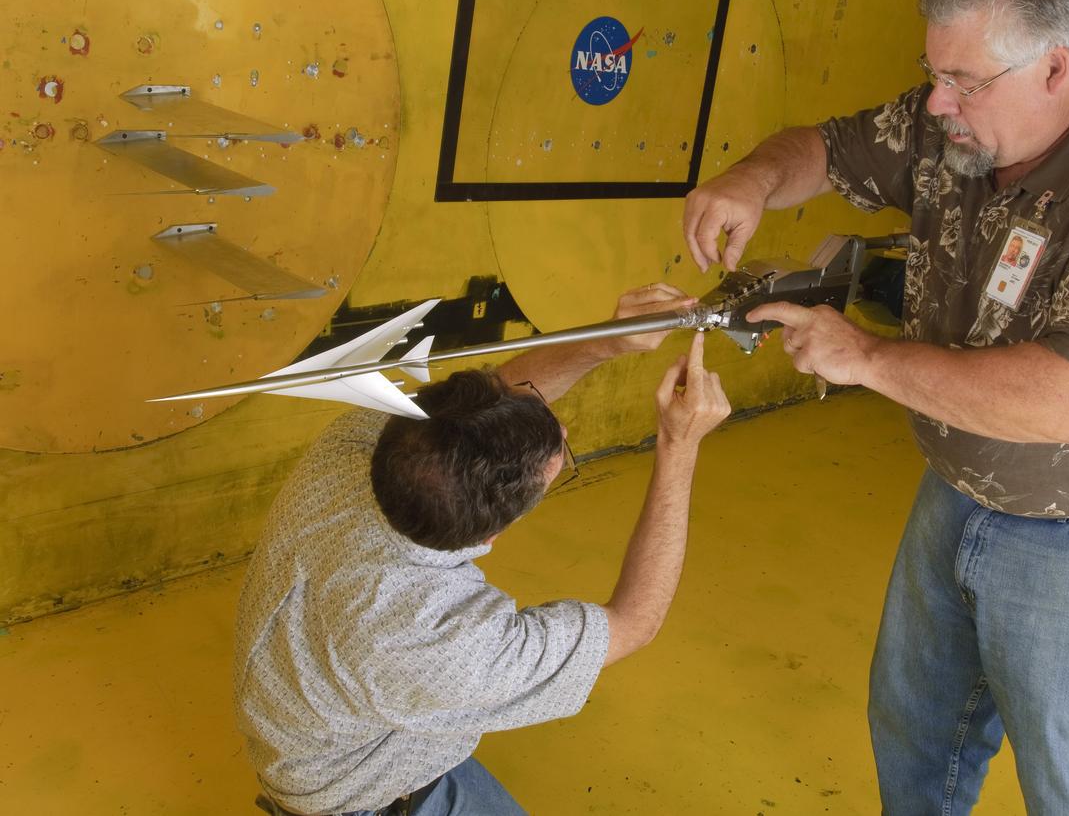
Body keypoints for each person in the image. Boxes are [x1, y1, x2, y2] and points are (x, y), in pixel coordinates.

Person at [683, 0, 1069, 815]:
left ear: (1058, 68)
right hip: (965, 480)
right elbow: (826, 148)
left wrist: (863, 355)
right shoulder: (957, 121)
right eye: (934, 72)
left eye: (963, 81)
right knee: (916, 730)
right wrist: (752, 178)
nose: (937, 102)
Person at [235, 284, 731, 816]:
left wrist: (604, 343)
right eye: (557, 450)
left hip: (322, 718)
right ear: (490, 536)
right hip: (356, 793)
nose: (557, 423)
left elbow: (494, 397)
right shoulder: (445, 643)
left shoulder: (360, 442)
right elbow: (633, 623)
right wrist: (680, 445)